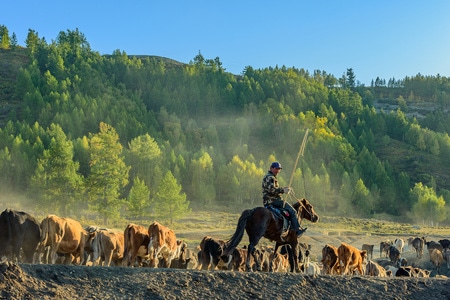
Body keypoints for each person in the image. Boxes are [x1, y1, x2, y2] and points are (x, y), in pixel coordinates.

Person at [262, 161, 306, 237]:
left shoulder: (270, 177)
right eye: (276, 169)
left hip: (270, 200)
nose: (277, 171)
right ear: (271, 168)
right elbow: (271, 190)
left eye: (279, 169)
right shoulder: (270, 177)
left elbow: (274, 189)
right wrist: (283, 190)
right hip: (273, 201)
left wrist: (285, 189)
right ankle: (296, 230)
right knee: (293, 211)